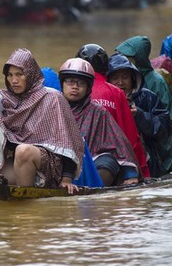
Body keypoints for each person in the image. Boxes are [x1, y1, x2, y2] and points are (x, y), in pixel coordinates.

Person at [0, 48, 84, 193]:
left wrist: (67, 179)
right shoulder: (3, 101)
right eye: (10, 75)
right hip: (16, 163)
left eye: (19, 74)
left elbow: (68, 142)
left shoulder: (53, 98)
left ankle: (25, 204)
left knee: (23, 150)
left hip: (48, 168)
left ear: (30, 74)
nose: (14, 80)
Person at [58, 58, 139, 186]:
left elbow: (119, 144)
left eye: (81, 83)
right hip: (59, 162)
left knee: (108, 162)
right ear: (62, 84)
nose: (75, 87)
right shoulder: (53, 108)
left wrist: (130, 175)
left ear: (88, 88)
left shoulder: (99, 112)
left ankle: (93, 191)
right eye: (70, 82)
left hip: (93, 161)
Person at [76, 44, 150, 179]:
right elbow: (130, 137)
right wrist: (143, 173)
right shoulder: (116, 93)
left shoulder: (70, 91)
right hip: (109, 164)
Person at [107, 53, 172, 178]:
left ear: (133, 79)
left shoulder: (147, 97)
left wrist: (139, 115)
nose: (120, 83)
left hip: (147, 161)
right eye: (115, 78)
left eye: (125, 77)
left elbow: (165, 129)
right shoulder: (103, 100)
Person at [115, 35, 172, 124]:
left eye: (127, 57)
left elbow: (167, 118)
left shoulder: (157, 82)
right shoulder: (123, 76)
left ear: (139, 57)